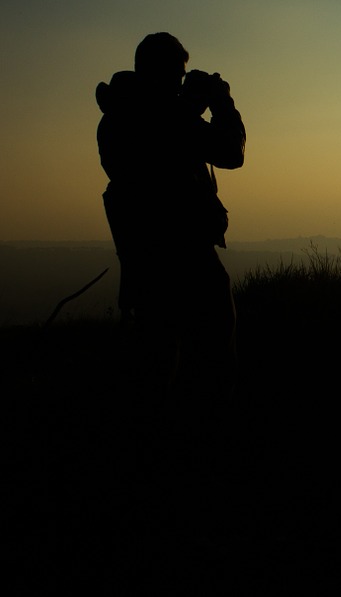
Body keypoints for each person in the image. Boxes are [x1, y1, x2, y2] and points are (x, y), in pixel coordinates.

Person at [95, 32, 246, 405]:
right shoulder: (166, 117)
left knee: (155, 357)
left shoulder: (119, 116)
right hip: (184, 254)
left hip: (142, 256)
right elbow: (230, 152)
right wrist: (222, 103)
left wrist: (189, 105)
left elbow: (159, 150)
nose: (180, 83)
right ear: (159, 74)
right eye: (177, 76)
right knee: (209, 351)